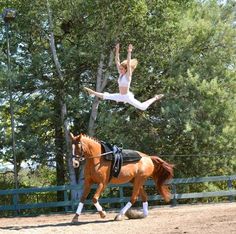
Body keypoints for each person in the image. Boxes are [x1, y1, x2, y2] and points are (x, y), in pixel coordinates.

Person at [84, 44, 164, 111]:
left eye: (122, 69)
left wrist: (129, 52)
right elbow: (117, 60)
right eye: (120, 68)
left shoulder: (128, 75)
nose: (120, 69)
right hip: (120, 95)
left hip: (127, 96)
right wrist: (117, 50)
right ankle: (92, 92)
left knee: (142, 107)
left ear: (126, 69)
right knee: (106, 96)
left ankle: (155, 97)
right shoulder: (121, 74)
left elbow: (128, 64)